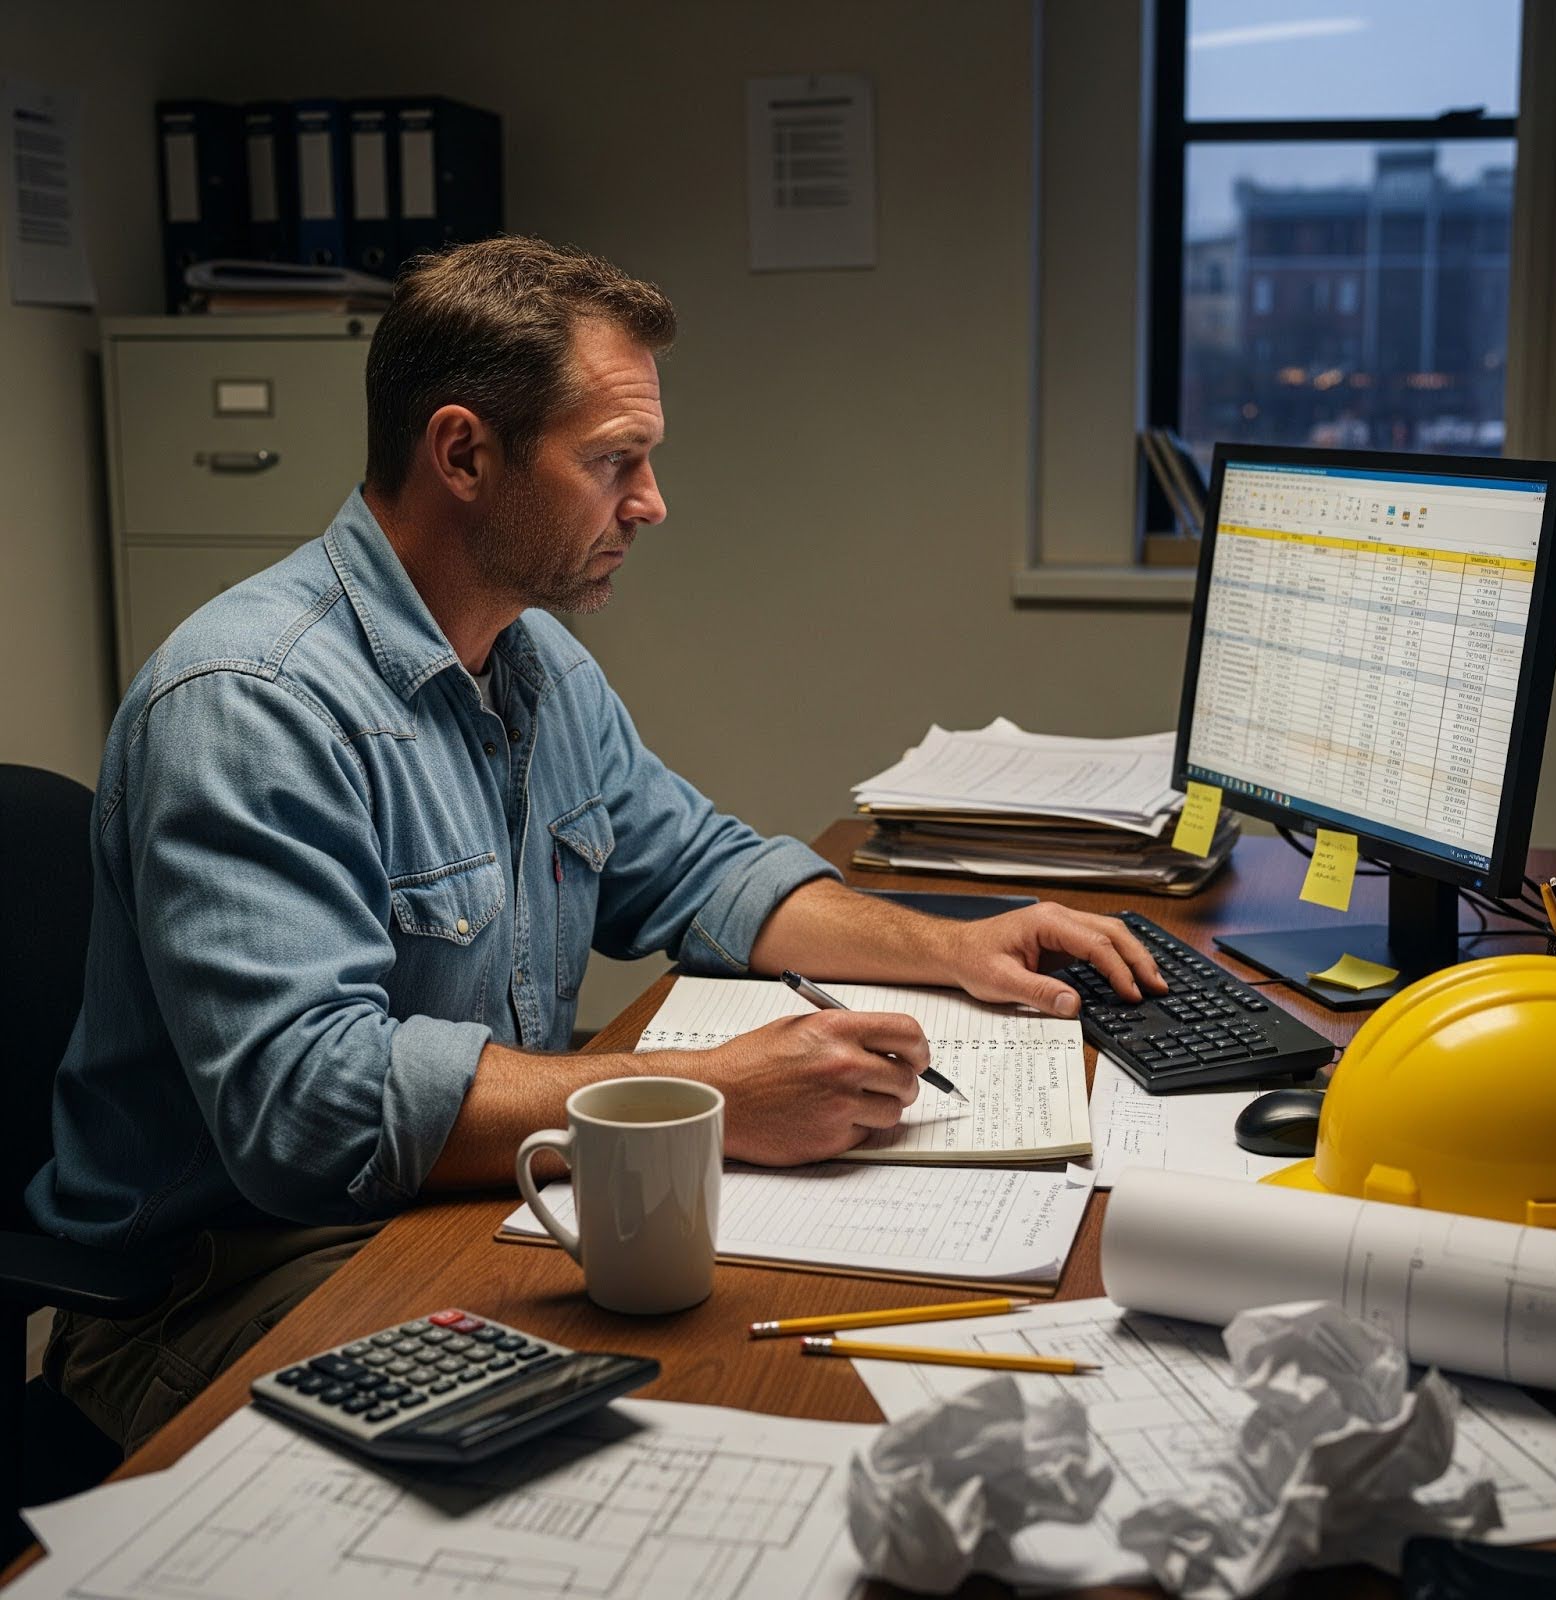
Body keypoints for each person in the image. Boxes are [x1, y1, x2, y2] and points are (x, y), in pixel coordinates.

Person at [27, 236, 1163, 1453]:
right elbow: (312, 1109)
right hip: (214, 1292)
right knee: (679, 1423)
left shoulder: (533, 659)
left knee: (765, 1361)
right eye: (612, 461)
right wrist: (711, 1099)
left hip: (449, 1213)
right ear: (463, 452)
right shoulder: (246, 702)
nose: (651, 502)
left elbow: (697, 869)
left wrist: (954, 950)